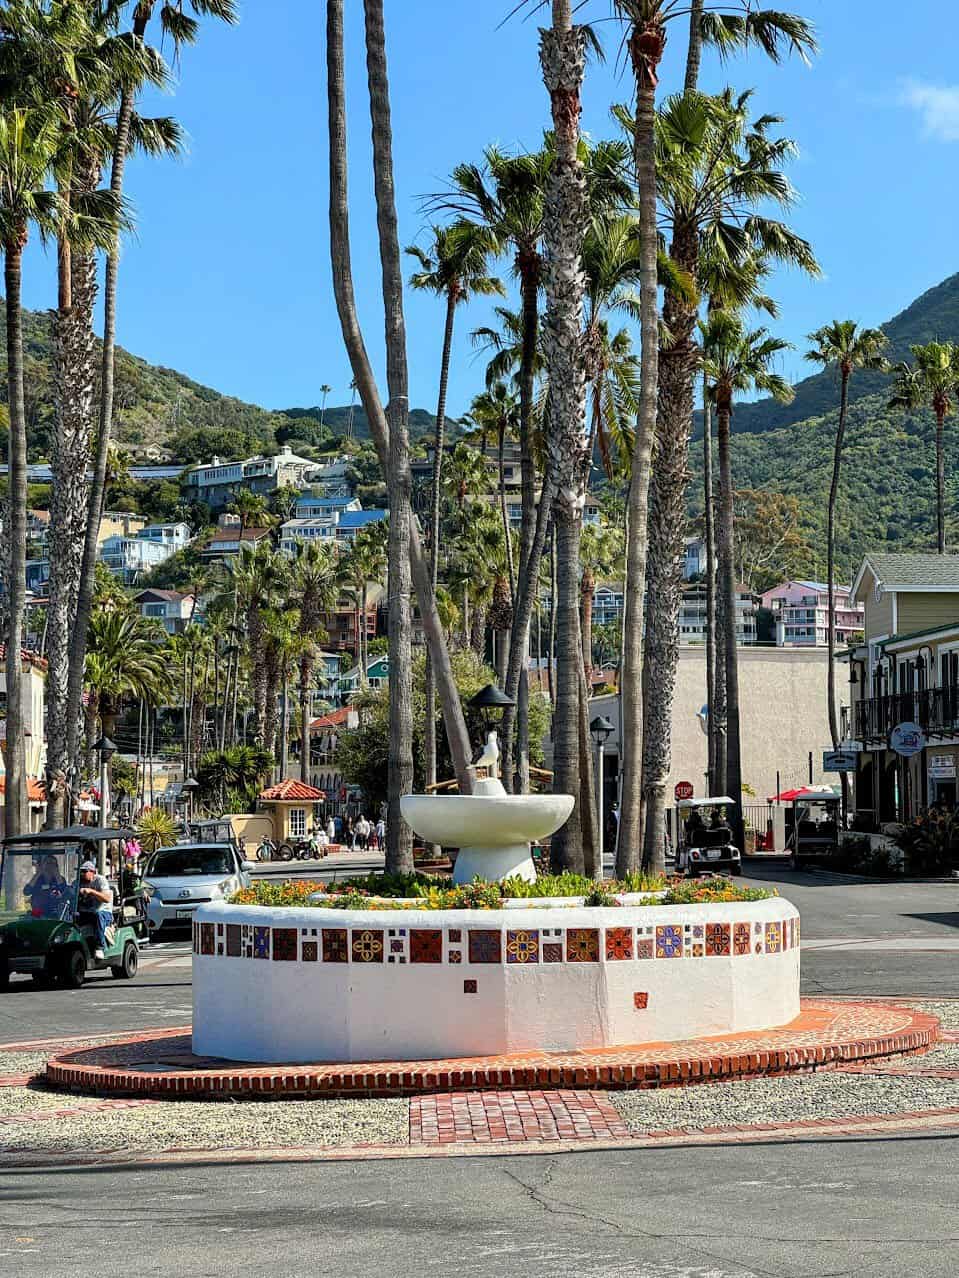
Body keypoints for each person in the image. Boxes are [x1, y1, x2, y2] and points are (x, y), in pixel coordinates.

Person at [77, 860, 114, 959]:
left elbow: (106, 898)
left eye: (85, 871)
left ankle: (99, 947)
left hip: (103, 912)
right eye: (81, 872)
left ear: (92, 872)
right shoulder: (78, 882)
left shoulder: (100, 880)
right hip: (85, 912)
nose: (82, 874)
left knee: (98, 915)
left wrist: (92, 891)